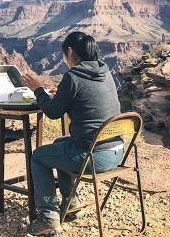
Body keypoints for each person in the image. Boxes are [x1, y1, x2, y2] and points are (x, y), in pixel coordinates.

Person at [25, 31, 123, 236]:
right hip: (117, 151)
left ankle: (48, 218)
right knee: (60, 142)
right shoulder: (105, 70)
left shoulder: (73, 77)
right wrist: (59, 94)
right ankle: (71, 203)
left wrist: (38, 90)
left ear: (70, 52)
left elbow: (52, 112)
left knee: (39, 157)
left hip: (95, 157)